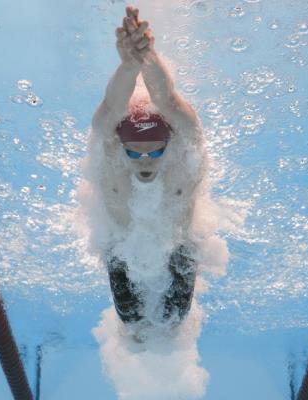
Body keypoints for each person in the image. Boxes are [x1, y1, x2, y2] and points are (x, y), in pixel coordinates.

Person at [91, 6, 206, 325]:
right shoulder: (108, 144)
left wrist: (147, 56)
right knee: (130, 321)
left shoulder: (186, 147)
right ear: (120, 146)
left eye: (155, 152)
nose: (144, 161)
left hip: (178, 245)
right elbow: (113, 106)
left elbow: (166, 99)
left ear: (170, 144)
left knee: (175, 319)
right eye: (134, 153)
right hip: (121, 245)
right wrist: (128, 66)